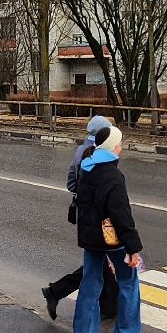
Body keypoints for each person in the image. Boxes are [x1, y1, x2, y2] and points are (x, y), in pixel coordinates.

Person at [69, 125, 146, 333]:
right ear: (112, 146)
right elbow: (121, 214)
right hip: (112, 239)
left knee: (90, 284)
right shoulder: (113, 175)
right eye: (120, 143)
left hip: (90, 237)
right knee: (128, 282)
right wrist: (133, 247)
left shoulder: (87, 166)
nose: (121, 147)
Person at [41, 113, 112, 319]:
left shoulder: (80, 149)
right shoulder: (96, 153)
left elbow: (71, 183)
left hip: (87, 215)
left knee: (103, 261)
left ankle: (108, 307)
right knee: (100, 261)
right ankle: (55, 291)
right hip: (96, 217)